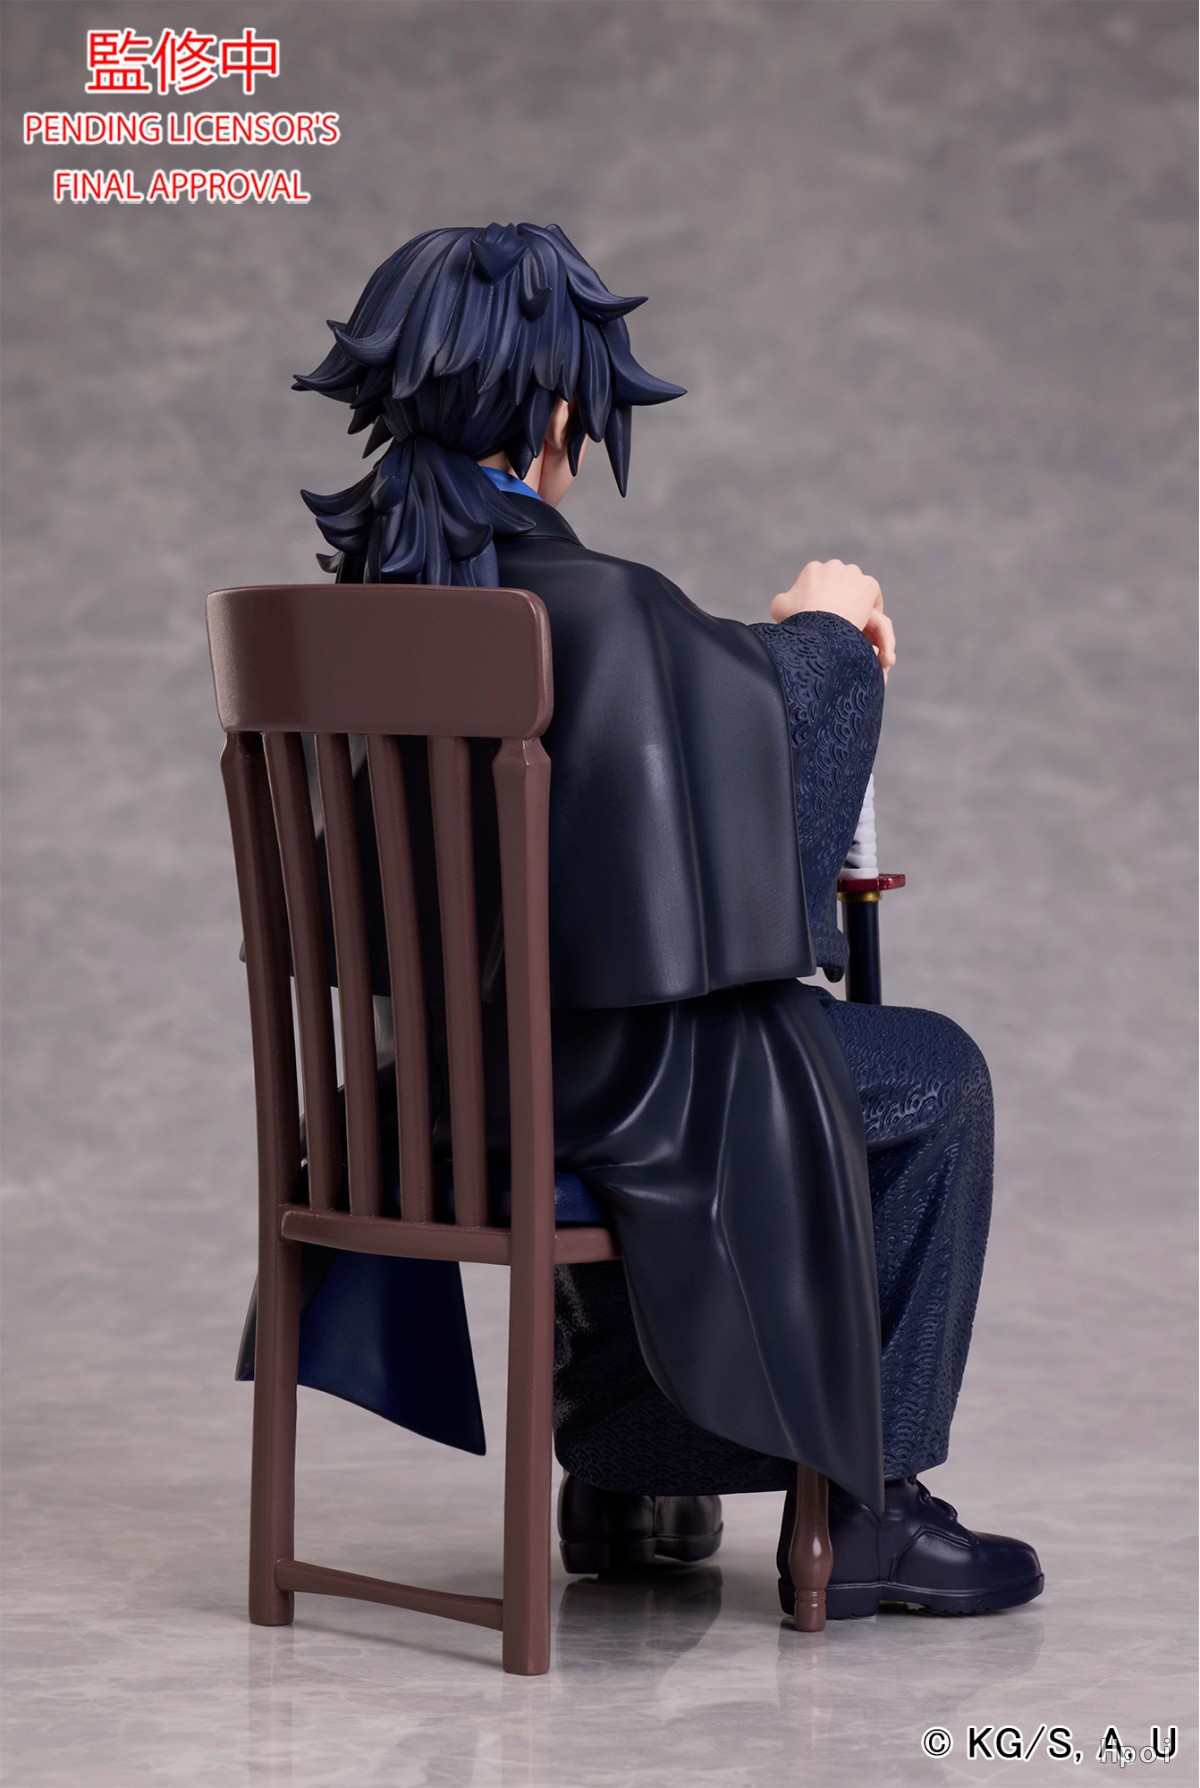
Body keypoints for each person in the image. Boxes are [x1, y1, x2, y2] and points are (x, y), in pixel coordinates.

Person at [243, 221, 1043, 1620]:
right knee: (924, 1075)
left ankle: (630, 1476)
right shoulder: (588, 608)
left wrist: (776, 659)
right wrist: (828, 639)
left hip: (420, 1105)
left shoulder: (367, 615)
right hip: (591, 1096)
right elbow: (746, 854)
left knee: (635, 1050)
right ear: (560, 408)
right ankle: (874, 1504)